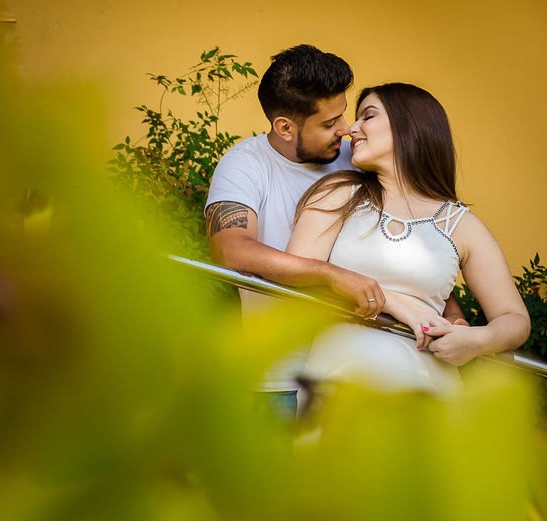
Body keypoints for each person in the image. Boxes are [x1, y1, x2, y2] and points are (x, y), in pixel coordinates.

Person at [204, 45, 466, 417]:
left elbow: (413, 237)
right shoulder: (244, 165)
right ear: (284, 127)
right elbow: (231, 250)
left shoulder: (357, 157)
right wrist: (332, 274)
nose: (345, 130)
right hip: (280, 377)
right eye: (329, 124)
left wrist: (450, 311)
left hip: (357, 369)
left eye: (342, 115)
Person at [286, 83, 529, 394]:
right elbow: (293, 279)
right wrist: (391, 302)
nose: (351, 129)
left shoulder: (461, 224)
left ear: (408, 124)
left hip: (431, 398)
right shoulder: (339, 194)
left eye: (367, 116)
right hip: (338, 392)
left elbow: (515, 318)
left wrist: (477, 341)